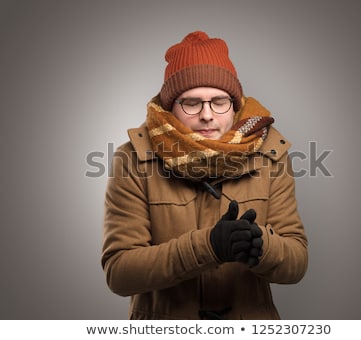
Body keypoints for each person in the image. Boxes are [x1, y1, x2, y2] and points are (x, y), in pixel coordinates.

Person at [101, 31, 308, 320]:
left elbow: (297, 262)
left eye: (219, 100)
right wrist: (208, 246)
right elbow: (120, 273)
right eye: (191, 102)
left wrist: (262, 246)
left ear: (234, 105)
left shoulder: (271, 154)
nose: (207, 114)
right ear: (171, 107)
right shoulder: (133, 159)